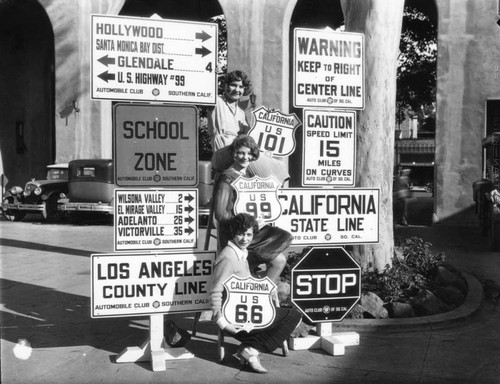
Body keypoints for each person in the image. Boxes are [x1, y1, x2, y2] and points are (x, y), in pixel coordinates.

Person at [209, 213, 302, 373]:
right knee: (292, 316)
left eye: (249, 234)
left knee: (290, 315)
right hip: (235, 320)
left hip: (248, 314)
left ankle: (250, 350)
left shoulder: (241, 253)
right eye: (240, 234)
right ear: (233, 233)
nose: (245, 239)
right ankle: (252, 350)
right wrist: (223, 323)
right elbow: (215, 291)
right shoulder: (229, 257)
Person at [212, 134, 292, 283]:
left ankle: (263, 292)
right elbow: (220, 214)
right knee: (241, 273)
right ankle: (256, 291)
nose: (245, 157)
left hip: (250, 232)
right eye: (241, 153)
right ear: (234, 153)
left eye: (249, 153)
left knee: (279, 258)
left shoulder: (249, 175)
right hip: (235, 233)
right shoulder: (226, 178)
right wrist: (248, 221)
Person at [208, 70, 289, 184]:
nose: (237, 90)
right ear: (225, 86)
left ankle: (273, 190)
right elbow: (205, 88)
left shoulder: (241, 112)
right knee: (254, 158)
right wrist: (212, 72)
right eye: (233, 85)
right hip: (222, 154)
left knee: (276, 163)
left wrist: (265, 122)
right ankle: (270, 186)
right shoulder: (216, 102)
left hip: (238, 153)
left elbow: (249, 138)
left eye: (241, 87)